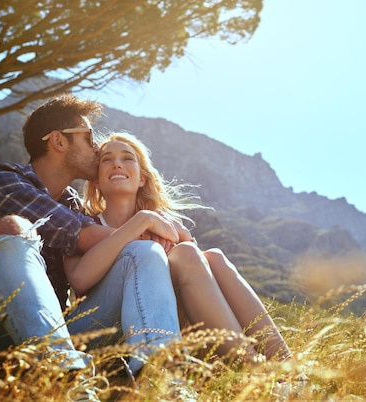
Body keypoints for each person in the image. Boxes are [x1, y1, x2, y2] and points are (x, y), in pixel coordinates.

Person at [0, 95, 182, 386]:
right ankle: (68, 382)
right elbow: (84, 236)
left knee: (142, 251)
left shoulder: (73, 204)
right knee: (14, 228)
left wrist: (152, 237)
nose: (97, 147)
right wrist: (147, 223)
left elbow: (107, 242)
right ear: (59, 142)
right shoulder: (4, 181)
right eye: (88, 137)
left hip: (58, 333)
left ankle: (161, 380)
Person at [77, 132, 292, 364]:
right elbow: (79, 280)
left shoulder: (164, 226)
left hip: (163, 323)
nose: (117, 163)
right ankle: (252, 367)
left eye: (128, 158)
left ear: (142, 178)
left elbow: (194, 275)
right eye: (107, 159)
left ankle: (287, 365)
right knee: (181, 253)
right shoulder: (84, 222)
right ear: (97, 180)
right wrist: (142, 223)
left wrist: (181, 238)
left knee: (214, 257)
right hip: (103, 327)